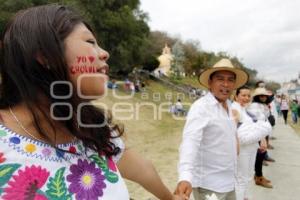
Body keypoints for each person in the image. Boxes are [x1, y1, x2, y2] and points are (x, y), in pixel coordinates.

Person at [0, 5, 182, 200]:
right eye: (90, 42)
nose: (104, 53)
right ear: (45, 56)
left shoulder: (93, 130)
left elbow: (143, 170)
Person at [175, 58, 249, 200]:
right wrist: (185, 176)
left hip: (229, 181)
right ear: (210, 82)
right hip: (209, 185)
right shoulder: (201, 107)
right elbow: (190, 142)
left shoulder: (230, 106)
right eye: (220, 79)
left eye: (230, 80)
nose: (226, 84)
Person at [232, 86, 272, 200]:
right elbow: (233, 131)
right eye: (243, 95)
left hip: (252, 146)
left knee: (249, 175)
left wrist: (262, 139)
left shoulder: (246, 108)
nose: (246, 98)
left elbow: (256, 124)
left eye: (248, 96)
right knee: (241, 178)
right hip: (242, 149)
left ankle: (245, 196)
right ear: (236, 96)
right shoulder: (235, 109)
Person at [247, 87, 274, 188]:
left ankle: (259, 175)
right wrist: (262, 137)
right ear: (257, 96)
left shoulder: (263, 105)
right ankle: (258, 177)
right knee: (259, 156)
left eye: (265, 96)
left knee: (261, 155)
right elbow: (257, 120)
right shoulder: (254, 106)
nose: (264, 97)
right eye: (261, 96)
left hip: (264, 133)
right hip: (259, 134)